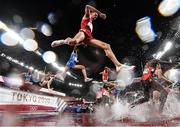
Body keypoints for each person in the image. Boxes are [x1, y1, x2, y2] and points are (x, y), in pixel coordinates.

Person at [51, 4, 134, 72]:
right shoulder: (86, 16)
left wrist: (84, 42)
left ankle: (118, 65)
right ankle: (62, 41)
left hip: (88, 38)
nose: (96, 16)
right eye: (95, 14)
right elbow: (87, 6)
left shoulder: (91, 23)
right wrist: (100, 13)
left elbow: (88, 35)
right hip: (82, 33)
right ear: (91, 13)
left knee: (106, 46)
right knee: (73, 42)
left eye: (97, 16)